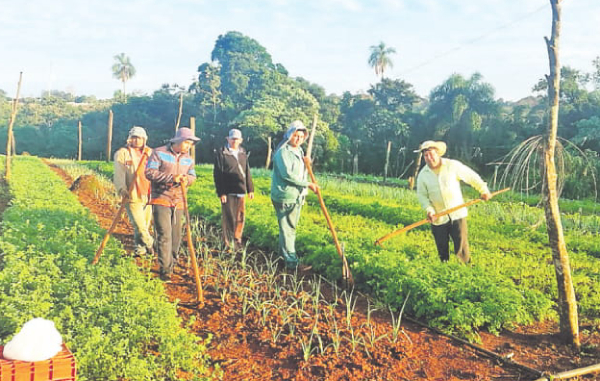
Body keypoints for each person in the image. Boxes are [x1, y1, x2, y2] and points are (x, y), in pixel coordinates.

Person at [415, 140, 492, 264]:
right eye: (426, 155)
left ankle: (465, 268)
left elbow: (471, 176)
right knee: (441, 247)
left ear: (438, 153)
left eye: (431, 154)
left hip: (457, 213)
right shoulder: (423, 175)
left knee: (461, 244)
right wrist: (429, 210)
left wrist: (483, 190)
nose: (429, 158)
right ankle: (444, 268)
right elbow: (422, 196)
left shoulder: (452, 166)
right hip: (438, 217)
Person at [145, 127, 199, 281]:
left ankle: (172, 264)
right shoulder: (158, 152)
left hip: (179, 201)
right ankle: (165, 269)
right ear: (178, 141)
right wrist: (171, 178)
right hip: (161, 198)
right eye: (187, 143)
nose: (188, 146)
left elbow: (193, 176)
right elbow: (149, 173)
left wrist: (186, 180)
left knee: (176, 237)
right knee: (164, 234)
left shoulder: (188, 159)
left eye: (190, 144)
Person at [271, 120, 318, 269]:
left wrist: (307, 163)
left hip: (296, 195)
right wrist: (308, 184)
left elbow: (300, 169)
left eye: (301, 136)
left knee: (288, 228)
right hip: (285, 195)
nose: (298, 139)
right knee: (288, 229)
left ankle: (282, 258)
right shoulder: (283, 152)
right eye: (295, 136)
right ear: (289, 135)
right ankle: (291, 262)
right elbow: (288, 175)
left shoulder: (299, 150)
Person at [113, 126, 154, 256]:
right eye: (134, 137)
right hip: (132, 194)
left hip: (148, 193)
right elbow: (119, 173)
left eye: (140, 138)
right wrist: (121, 188)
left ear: (144, 139)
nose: (137, 141)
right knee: (140, 225)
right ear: (129, 139)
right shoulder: (122, 153)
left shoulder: (150, 152)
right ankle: (151, 244)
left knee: (144, 225)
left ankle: (139, 249)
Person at [213, 128, 255, 249]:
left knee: (240, 216)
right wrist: (221, 192)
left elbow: (247, 171)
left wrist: (250, 189)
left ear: (241, 140)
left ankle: (237, 239)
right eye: (232, 139)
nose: (234, 141)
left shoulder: (243, 152)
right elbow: (218, 174)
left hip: (240, 189)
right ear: (228, 139)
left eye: (237, 139)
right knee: (228, 216)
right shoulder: (222, 153)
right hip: (228, 191)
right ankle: (228, 243)